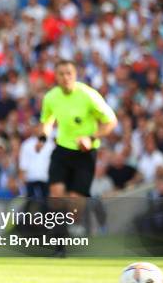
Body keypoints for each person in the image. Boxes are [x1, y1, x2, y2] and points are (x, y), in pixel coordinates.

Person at [40, 59, 117, 256]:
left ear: (75, 75)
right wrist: (42, 137)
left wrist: (91, 138)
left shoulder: (88, 95)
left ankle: (85, 212)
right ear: (56, 77)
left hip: (85, 154)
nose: (65, 77)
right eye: (61, 74)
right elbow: (47, 120)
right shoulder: (51, 97)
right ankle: (59, 245)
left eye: (69, 73)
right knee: (56, 196)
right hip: (62, 150)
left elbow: (110, 122)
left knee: (74, 205)